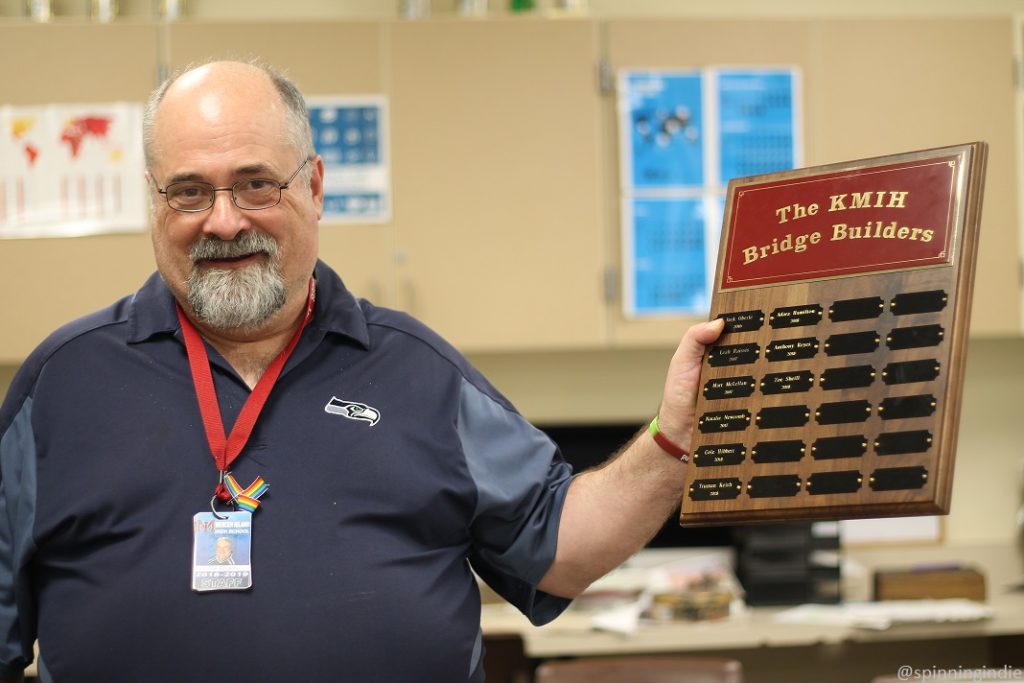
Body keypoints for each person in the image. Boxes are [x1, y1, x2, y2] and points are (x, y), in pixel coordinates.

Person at [0, 60, 723, 682]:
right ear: (155, 202)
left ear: (314, 186)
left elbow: (555, 545)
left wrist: (672, 440)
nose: (223, 220)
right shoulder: (61, 386)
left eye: (256, 184)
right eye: (190, 190)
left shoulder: (418, 371)